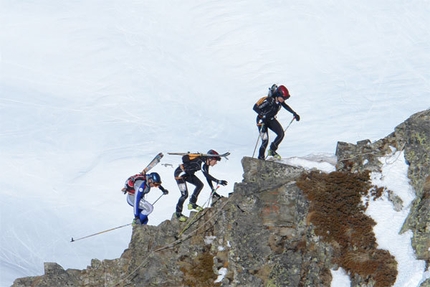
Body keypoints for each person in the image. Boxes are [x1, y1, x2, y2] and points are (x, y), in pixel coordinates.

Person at [174, 149, 228, 222]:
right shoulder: (202, 162)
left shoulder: (205, 164)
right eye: (215, 161)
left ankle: (192, 203)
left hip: (188, 174)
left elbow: (207, 177)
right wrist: (218, 181)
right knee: (184, 195)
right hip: (179, 175)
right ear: (210, 159)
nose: (216, 163)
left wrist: (212, 190)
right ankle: (178, 213)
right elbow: (207, 175)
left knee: (200, 185)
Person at [253, 84, 300, 160]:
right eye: (282, 98)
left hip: (271, 119)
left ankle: (272, 150)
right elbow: (255, 108)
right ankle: (261, 158)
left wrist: (294, 113)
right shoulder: (268, 100)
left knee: (281, 134)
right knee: (265, 141)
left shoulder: (279, 102)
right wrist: (263, 115)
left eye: (284, 98)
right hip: (262, 121)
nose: (283, 100)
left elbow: (286, 106)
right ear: (278, 95)